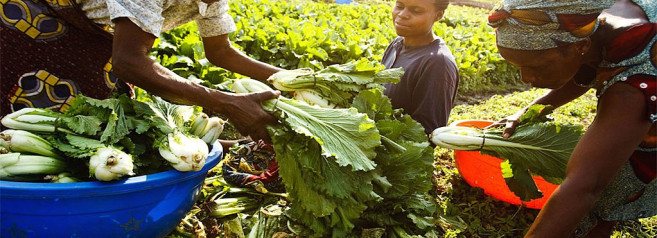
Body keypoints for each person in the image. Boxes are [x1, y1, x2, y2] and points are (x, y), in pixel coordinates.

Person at [487, 0, 656, 237]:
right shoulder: (584, 25)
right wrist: (528, 110)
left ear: (581, 46)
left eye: (536, 66)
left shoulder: (634, 82)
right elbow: (587, 68)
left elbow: (585, 186)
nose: (526, 78)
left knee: (612, 176)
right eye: (518, 67)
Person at [0, 0, 281, 142]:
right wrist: (227, 103)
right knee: (32, 118)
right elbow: (129, 62)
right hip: (31, 19)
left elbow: (220, 51)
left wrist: (283, 80)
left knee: (94, 121)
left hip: (91, 32)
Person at [382, 0, 459, 134]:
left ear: (438, 15)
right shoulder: (397, 44)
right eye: (399, 6)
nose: (402, 14)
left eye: (416, 11)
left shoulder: (438, 63)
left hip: (393, 152)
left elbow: (427, 134)